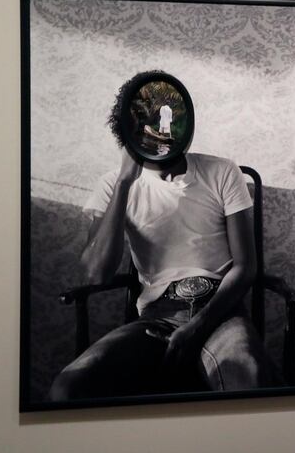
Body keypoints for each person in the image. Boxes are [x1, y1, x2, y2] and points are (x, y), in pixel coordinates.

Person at [48, 71, 274, 401]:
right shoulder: (114, 185)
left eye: (167, 115)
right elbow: (97, 271)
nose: (161, 129)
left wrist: (197, 328)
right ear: (130, 130)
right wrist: (126, 182)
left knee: (247, 379)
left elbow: (245, 267)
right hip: (157, 317)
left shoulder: (223, 171)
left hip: (220, 313)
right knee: (67, 390)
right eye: (148, 119)